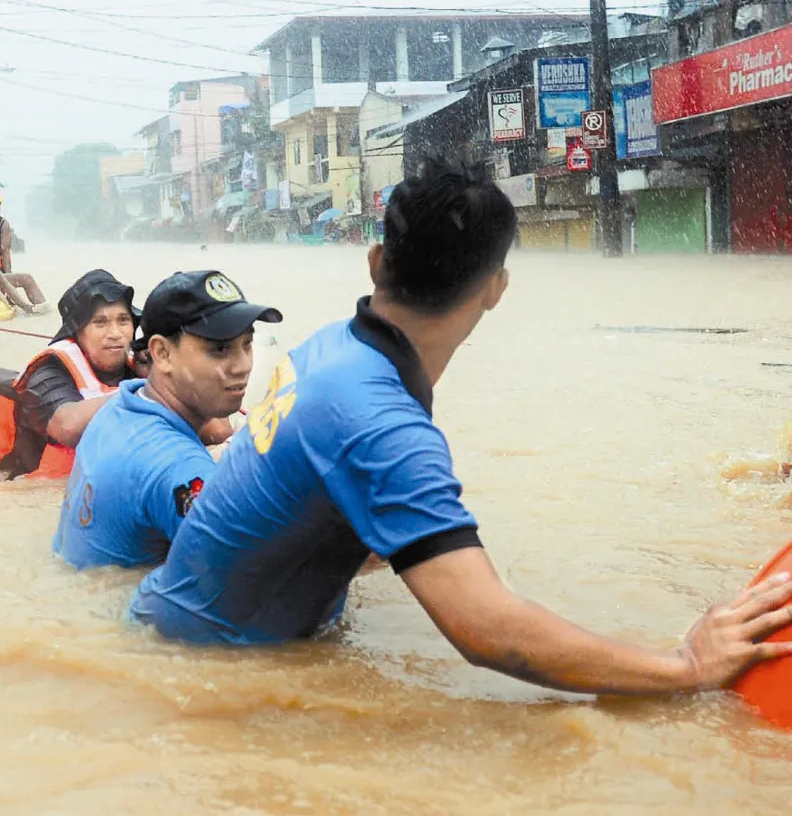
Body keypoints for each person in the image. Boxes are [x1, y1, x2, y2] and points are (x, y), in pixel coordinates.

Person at [130, 158, 792, 697]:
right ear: (497, 287)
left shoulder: (334, 349)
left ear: (374, 263)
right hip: (206, 670)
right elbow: (484, 629)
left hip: (166, 626)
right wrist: (683, 665)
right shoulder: (378, 418)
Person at [53, 270, 281, 570]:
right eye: (220, 349)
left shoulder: (124, 403)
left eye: (247, 345)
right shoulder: (177, 468)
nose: (243, 366)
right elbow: (268, 576)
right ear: (161, 353)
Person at [0, 269, 138, 479]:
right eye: (100, 323)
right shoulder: (48, 371)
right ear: (78, 330)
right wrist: (146, 391)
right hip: (29, 491)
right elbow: (67, 427)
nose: (115, 333)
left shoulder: (142, 365)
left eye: (123, 320)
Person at [0, 189, 48, 311]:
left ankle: (42, 309)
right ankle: (33, 309)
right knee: (26, 279)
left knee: (24, 278)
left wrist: (8, 279)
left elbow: (6, 253)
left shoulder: (2, 224)